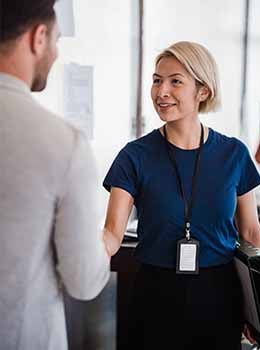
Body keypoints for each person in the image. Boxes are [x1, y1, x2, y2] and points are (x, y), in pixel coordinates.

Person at [102, 41, 260, 350]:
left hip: (219, 294)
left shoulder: (234, 154)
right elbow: (113, 232)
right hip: (155, 294)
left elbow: (250, 231)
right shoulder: (133, 156)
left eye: (175, 81)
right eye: (156, 80)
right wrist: (84, 251)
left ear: (202, 91)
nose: (161, 91)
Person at [0, 1, 110, 349]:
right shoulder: (63, 144)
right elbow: (83, 280)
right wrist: (104, 242)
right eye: (58, 40)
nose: (57, 52)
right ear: (39, 37)